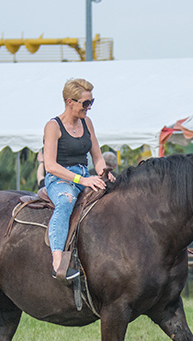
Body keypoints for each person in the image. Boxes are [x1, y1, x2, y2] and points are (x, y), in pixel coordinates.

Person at [43, 78, 114, 283]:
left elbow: (97, 157)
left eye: (92, 102)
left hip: (84, 174)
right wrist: (82, 180)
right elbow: (50, 165)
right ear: (69, 102)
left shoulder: (87, 123)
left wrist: (104, 174)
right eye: (85, 103)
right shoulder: (53, 126)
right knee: (65, 203)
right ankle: (58, 263)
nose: (89, 108)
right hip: (59, 179)